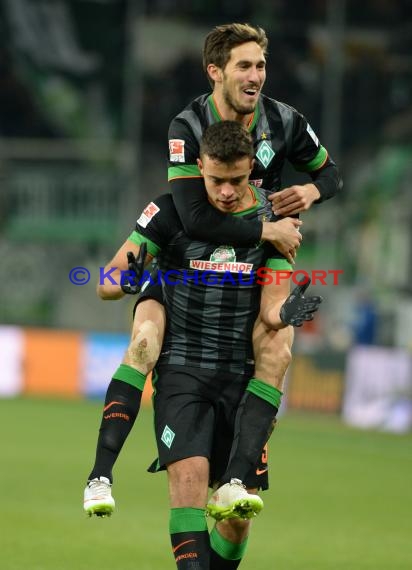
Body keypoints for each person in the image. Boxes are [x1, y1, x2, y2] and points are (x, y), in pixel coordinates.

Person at [84, 22, 338, 518]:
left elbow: (330, 174)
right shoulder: (187, 126)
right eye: (244, 65)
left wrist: (311, 191)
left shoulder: (284, 121)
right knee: (143, 343)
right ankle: (99, 474)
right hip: (186, 264)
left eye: (261, 64)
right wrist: (271, 230)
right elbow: (196, 217)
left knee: (278, 339)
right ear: (215, 72)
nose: (256, 75)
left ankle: (237, 477)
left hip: (255, 264)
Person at [89, 121, 322, 569]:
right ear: (199, 167)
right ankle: (99, 473)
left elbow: (273, 305)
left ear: (251, 168)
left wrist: (284, 313)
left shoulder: (272, 222)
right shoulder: (169, 210)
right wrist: (127, 281)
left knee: (236, 521)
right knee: (189, 485)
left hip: (242, 375)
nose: (228, 191)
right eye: (216, 180)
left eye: (237, 180)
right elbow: (107, 281)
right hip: (182, 368)